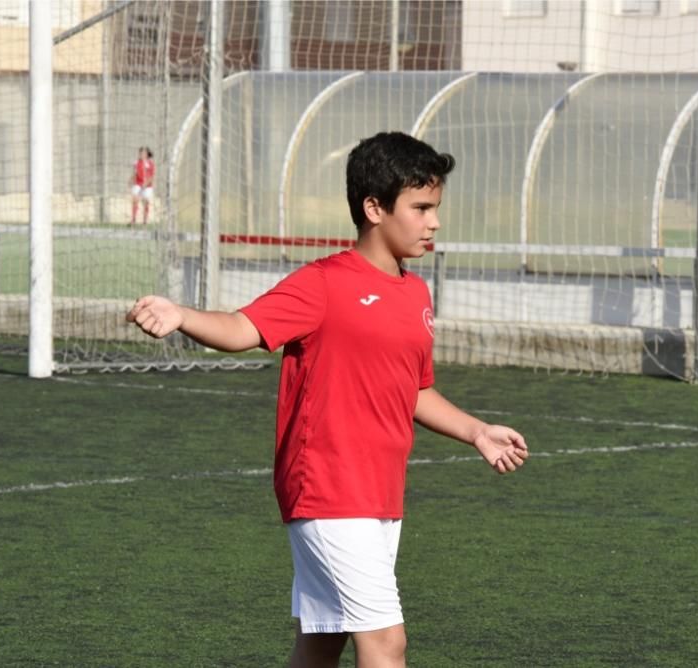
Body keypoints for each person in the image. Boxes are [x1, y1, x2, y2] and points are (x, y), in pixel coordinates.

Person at [125, 131, 529, 667]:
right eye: (421, 207)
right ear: (374, 208)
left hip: (380, 494)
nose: (434, 222)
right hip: (328, 488)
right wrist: (182, 315)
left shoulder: (416, 294)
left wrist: (476, 431)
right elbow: (242, 327)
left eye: (436, 208)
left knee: (322, 642)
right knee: (386, 644)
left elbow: (415, 390)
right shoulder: (323, 283)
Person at [129, 146, 155, 225]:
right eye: (140, 152)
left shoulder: (151, 163)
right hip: (138, 184)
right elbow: (134, 173)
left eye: (143, 152)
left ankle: (145, 220)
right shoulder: (136, 162)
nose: (141, 154)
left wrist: (146, 183)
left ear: (147, 154)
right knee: (135, 200)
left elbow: (152, 176)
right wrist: (130, 180)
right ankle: (133, 219)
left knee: (146, 202)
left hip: (147, 186)